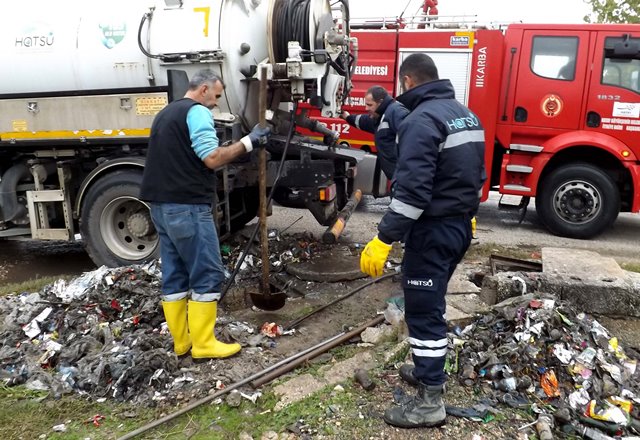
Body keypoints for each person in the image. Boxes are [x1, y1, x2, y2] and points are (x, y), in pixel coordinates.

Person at [360, 54, 486, 428]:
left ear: (408, 82)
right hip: (459, 226)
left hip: (432, 232)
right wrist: (468, 211)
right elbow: (474, 173)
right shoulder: (465, 114)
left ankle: (431, 399)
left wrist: (384, 238)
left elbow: (412, 193)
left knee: (422, 311)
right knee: (432, 302)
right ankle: (426, 366)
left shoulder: (420, 121)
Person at [140, 69, 271, 360]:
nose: (216, 103)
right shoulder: (198, 112)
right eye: (216, 95)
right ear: (203, 90)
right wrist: (250, 142)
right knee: (207, 272)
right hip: (187, 207)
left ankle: (182, 342)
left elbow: (185, 155)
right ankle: (203, 344)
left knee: (175, 276)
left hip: (162, 208)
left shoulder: (167, 113)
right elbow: (211, 159)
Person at [340, 86, 408, 181]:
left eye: (369, 105)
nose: (366, 108)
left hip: (404, 178)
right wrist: (347, 117)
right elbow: (365, 121)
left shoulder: (396, 112)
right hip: (398, 178)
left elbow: (411, 142)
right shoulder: (381, 116)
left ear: (380, 102)